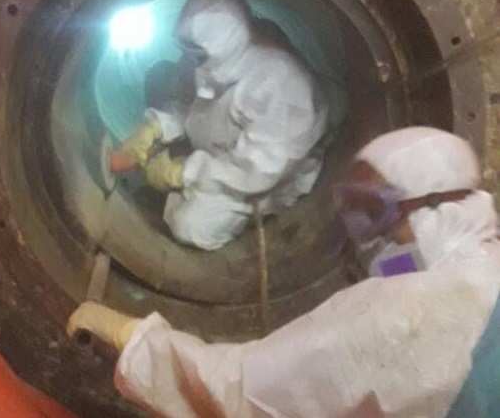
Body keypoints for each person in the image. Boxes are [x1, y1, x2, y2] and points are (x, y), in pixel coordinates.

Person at [69, 127, 500, 417]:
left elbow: (243, 394)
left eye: (376, 211)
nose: (370, 234)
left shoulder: (409, 312)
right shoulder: (479, 269)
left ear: (435, 203)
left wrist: (135, 341)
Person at [118, 0, 330, 251]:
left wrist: (181, 173)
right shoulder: (204, 59)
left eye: (195, 51)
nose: (189, 56)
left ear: (222, 46)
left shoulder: (279, 85)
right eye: (186, 47)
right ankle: (186, 170)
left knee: (190, 225)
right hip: (216, 147)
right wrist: (155, 127)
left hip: (263, 177)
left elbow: (258, 169)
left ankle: (237, 218)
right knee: (159, 75)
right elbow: (186, 101)